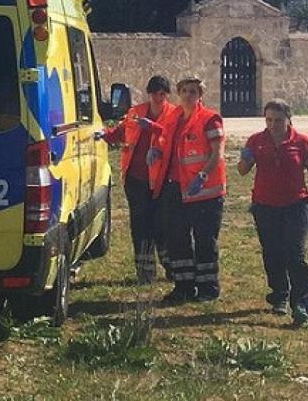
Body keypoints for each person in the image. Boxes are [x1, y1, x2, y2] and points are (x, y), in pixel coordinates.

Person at [238, 99, 308, 326]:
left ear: (289, 120)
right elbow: (242, 171)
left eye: (279, 120)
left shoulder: (302, 142)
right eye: (269, 120)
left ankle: (301, 303)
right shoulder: (256, 141)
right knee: (272, 252)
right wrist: (246, 159)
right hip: (264, 206)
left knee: (295, 253)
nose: (273, 125)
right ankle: (279, 294)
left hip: (296, 205)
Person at [149, 77, 226, 303]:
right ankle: (183, 285)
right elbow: (166, 142)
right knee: (176, 239)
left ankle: (208, 287)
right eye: (184, 91)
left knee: (204, 240)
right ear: (179, 94)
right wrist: (157, 152)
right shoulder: (174, 117)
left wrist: (202, 176)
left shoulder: (210, 119)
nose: (188, 95)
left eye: (193, 91)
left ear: (200, 95)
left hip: (205, 192)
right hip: (175, 188)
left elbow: (217, 153)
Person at [97, 76, 176, 284]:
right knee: (139, 225)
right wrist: (103, 134)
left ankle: (172, 268)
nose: (158, 98)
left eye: (162, 94)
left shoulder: (173, 114)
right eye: (154, 94)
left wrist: (155, 130)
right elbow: (121, 133)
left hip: (161, 180)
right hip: (136, 179)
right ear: (149, 94)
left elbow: (174, 137)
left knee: (162, 225)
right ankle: (145, 272)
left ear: (167, 95)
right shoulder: (136, 112)